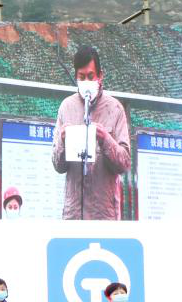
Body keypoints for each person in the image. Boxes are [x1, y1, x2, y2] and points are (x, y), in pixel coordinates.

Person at [51, 45, 131, 221]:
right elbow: (57, 165)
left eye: (90, 76)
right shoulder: (66, 107)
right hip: (74, 215)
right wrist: (63, 142)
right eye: (81, 77)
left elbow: (125, 163)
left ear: (100, 76)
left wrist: (106, 139)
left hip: (104, 215)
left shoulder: (115, 109)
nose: (86, 81)